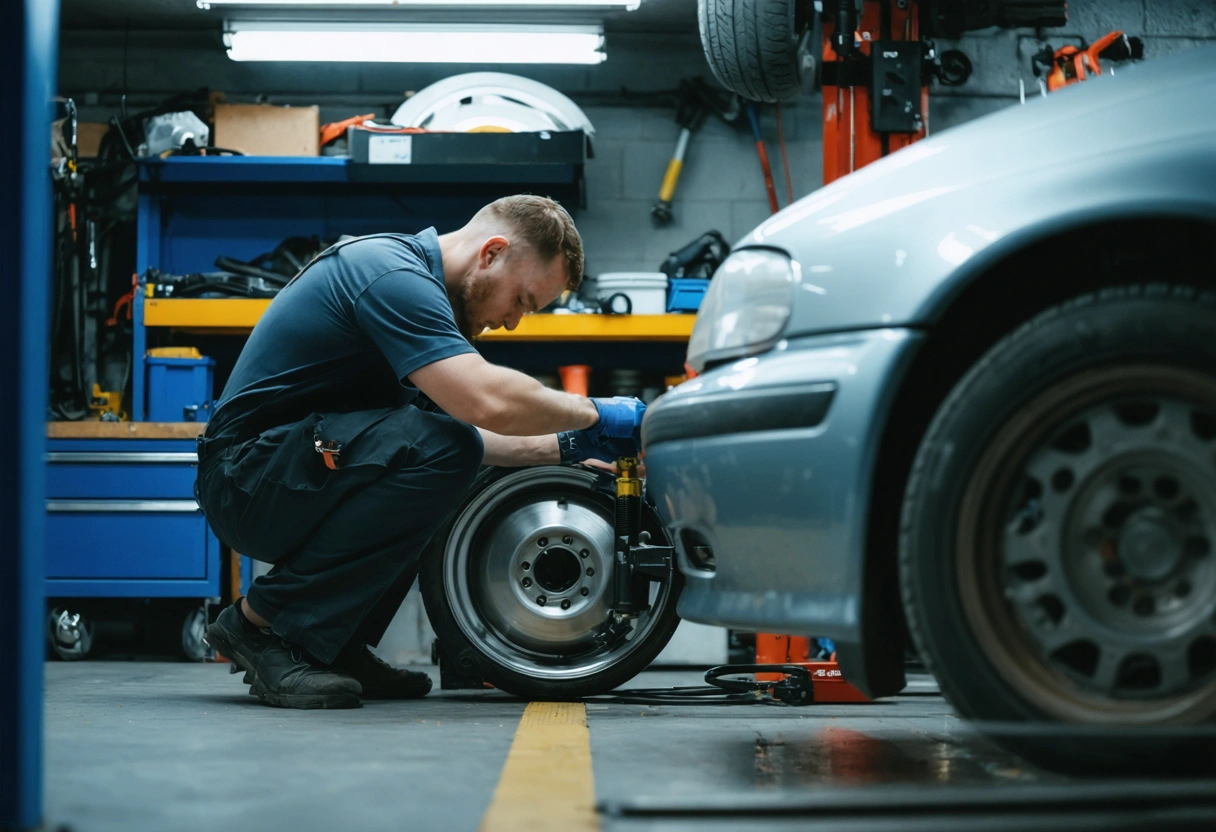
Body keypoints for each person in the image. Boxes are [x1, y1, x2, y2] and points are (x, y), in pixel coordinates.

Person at [196, 195, 645, 709]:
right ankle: (260, 626)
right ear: (492, 252)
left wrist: (566, 448)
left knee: (448, 454)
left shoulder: (425, 298)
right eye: (522, 300)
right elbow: (482, 404)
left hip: (292, 469)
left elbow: (467, 436)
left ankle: (332, 646)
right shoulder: (388, 273)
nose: (513, 322)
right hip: (244, 477)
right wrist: (597, 412)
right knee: (443, 450)